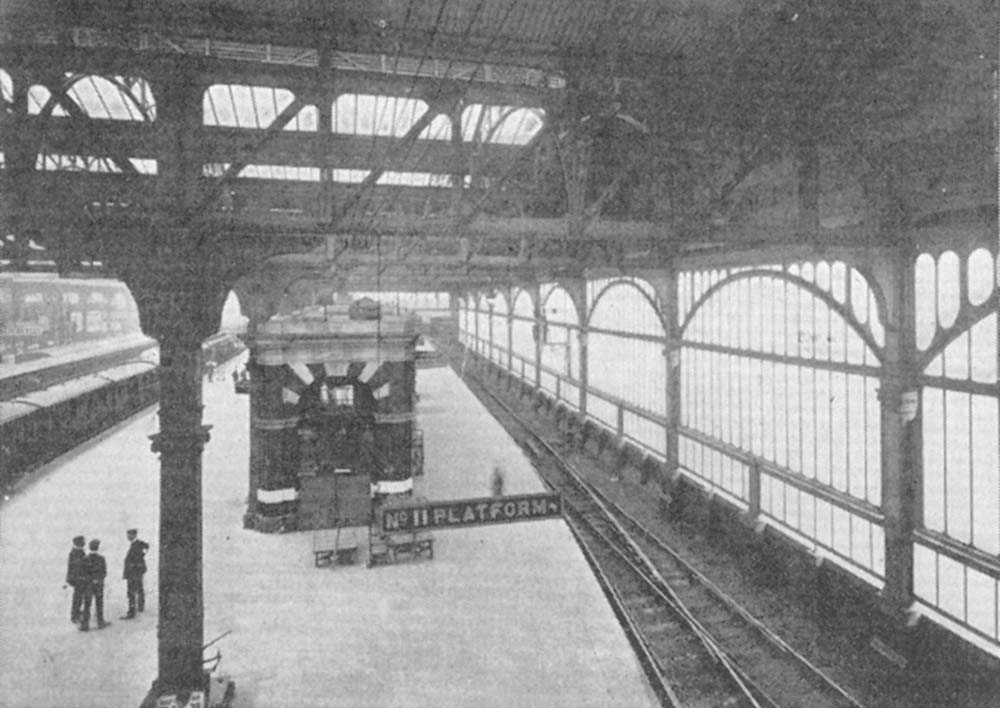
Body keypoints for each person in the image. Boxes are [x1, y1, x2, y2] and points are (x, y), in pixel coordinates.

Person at [79, 538, 108, 631]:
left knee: (87, 605)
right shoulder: (101, 559)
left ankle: (85, 624)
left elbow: (83, 573)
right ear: (98, 548)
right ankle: (100, 622)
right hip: (98, 584)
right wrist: (97, 579)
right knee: (99, 603)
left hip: (88, 585)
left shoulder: (85, 559)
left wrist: (89, 580)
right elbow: (104, 572)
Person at [121, 529, 149, 619]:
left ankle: (131, 611)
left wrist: (136, 564)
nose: (128, 537)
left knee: (131, 591)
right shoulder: (138, 543)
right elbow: (146, 547)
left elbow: (138, 555)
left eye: (129, 535)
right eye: (127, 535)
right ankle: (140, 606)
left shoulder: (136, 544)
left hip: (133, 572)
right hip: (138, 571)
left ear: (134, 535)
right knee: (139, 588)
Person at [64, 535, 87, 625]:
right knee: (78, 597)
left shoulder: (76, 552)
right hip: (79, 579)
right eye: (83, 541)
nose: (84, 543)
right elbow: (78, 567)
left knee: (78, 597)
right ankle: (75, 615)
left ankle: (76, 612)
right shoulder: (77, 553)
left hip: (77, 579)